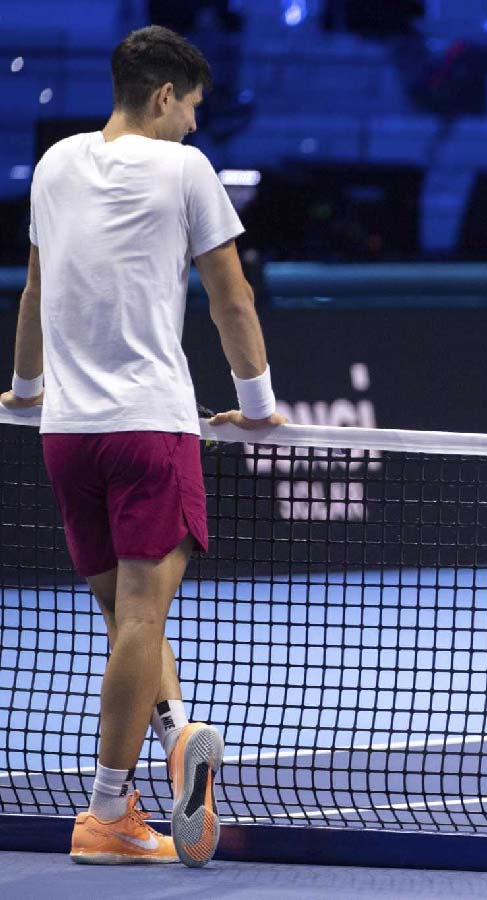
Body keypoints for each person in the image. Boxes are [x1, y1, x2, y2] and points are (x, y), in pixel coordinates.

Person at [0, 25, 286, 866]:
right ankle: (107, 812)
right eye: (192, 106)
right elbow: (230, 299)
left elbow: (36, 291)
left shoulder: (54, 166)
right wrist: (258, 402)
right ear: (165, 95)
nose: (195, 125)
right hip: (149, 428)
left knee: (126, 620)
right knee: (140, 618)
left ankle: (173, 731)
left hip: (66, 436)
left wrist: (21, 394)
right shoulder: (185, 169)